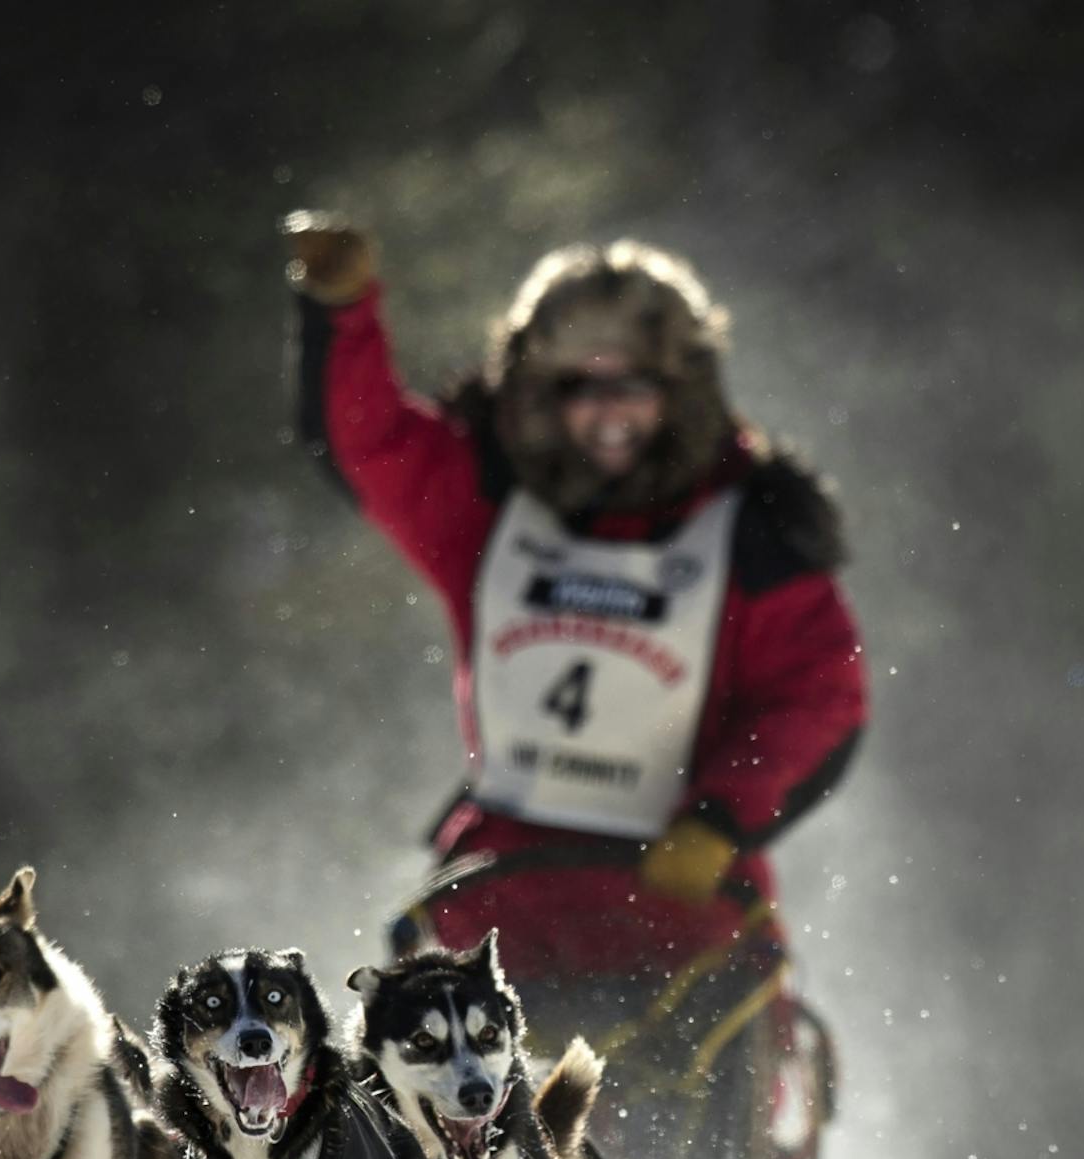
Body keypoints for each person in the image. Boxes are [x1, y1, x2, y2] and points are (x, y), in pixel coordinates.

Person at [281, 215, 867, 985]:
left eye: (632, 386)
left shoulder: (752, 531)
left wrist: (721, 816)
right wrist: (343, 305)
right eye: (578, 388)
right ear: (538, 394)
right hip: (502, 889)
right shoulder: (489, 506)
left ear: (680, 390)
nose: (607, 413)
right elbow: (369, 442)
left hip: (683, 894)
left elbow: (818, 699)